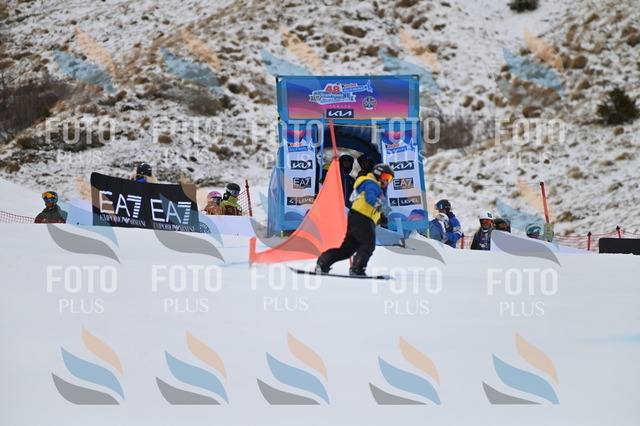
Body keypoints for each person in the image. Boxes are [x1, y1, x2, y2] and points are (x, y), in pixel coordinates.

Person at [316, 163, 394, 276]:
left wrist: (380, 217)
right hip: (362, 217)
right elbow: (369, 197)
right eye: (385, 177)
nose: (386, 181)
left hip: (357, 217)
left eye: (389, 179)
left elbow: (369, 204)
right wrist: (380, 207)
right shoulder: (371, 183)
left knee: (348, 249)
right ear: (377, 173)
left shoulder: (373, 185)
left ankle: (324, 261)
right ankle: (357, 268)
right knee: (368, 245)